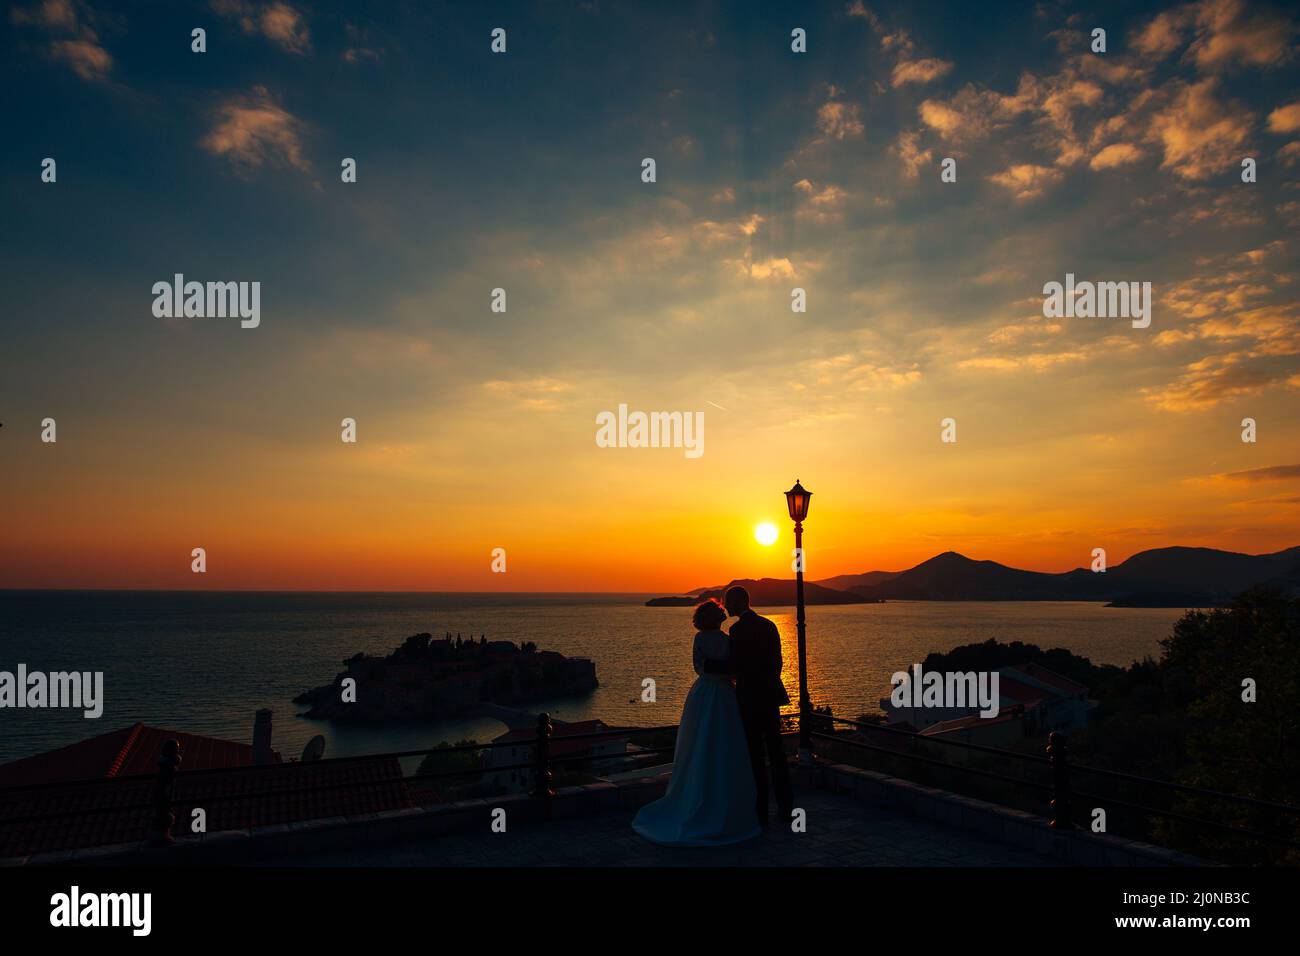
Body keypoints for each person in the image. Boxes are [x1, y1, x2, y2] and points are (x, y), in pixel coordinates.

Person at [631, 599, 760, 846]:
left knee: (701, 742)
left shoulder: (702, 639)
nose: (723, 611)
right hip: (722, 694)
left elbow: (701, 668)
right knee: (723, 744)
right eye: (719, 611)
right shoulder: (725, 639)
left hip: (704, 692)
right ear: (714, 617)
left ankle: (697, 797)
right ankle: (723, 804)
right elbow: (733, 669)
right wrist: (728, 672)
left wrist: (719, 669)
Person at [698, 585, 794, 828]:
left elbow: (736, 666)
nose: (726, 606)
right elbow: (778, 662)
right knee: (777, 754)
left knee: (755, 757)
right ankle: (786, 808)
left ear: (739, 602)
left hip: (749, 700)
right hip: (770, 697)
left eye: (728, 602)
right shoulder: (769, 625)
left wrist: (707, 665)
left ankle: (760, 813)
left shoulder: (738, 630)